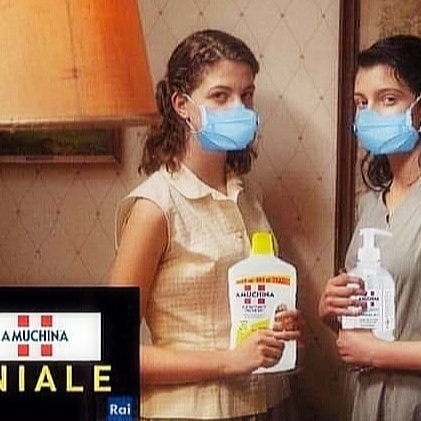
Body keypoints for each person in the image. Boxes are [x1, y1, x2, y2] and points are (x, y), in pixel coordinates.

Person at [110, 29, 302, 420]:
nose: (239, 108)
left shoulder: (247, 196)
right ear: (182, 105)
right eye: (220, 95)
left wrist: (279, 323)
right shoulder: (155, 207)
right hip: (190, 410)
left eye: (247, 95)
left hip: (270, 404)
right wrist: (228, 361)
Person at [318, 34, 421, 421]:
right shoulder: (370, 204)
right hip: (367, 402)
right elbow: (379, 317)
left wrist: (380, 354)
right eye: (362, 103)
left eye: (388, 99)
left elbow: (379, 346)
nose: (369, 113)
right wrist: (333, 311)